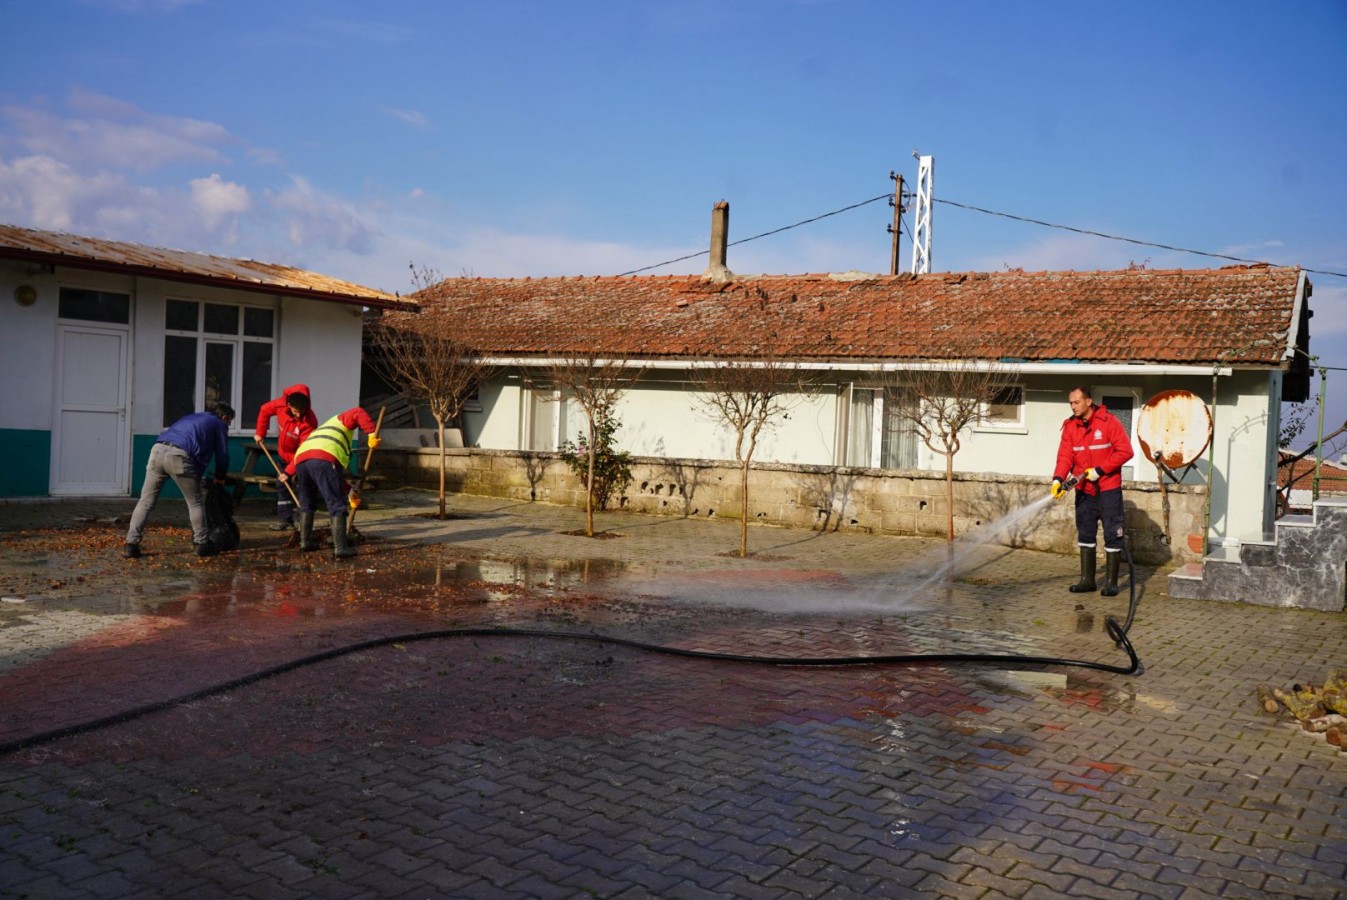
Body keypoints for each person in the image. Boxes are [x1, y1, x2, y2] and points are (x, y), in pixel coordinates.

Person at [1051, 387, 1134, 596]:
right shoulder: (1070, 427)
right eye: (1071, 403)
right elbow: (1065, 457)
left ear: (1089, 401)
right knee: (1085, 532)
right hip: (1084, 490)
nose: (1073, 406)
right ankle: (1087, 580)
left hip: (1108, 489)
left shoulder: (1108, 422)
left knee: (1112, 534)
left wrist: (1100, 469)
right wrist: (1058, 479)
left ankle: (1111, 583)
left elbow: (1126, 451)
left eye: (1076, 402)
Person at [124, 402, 234, 559]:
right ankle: (201, 544)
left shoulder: (193, 417)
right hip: (179, 456)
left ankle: (131, 545)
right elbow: (223, 455)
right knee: (195, 503)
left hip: (157, 451)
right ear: (225, 417)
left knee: (145, 502)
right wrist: (220, 477)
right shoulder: (219, 423)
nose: (228, 425)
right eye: (229, 422)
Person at [282, 407, 381, 559]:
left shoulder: (318, 433)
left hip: (301, 462)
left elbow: (332, 478)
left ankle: (305, 543)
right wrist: (371, 433)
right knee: (336, 505)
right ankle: (341, 548)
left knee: (306, 503)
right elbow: (357, 411)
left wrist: (350, 493)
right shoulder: (339, 420)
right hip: (323, 460)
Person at [254, 384, 318, 531]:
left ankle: (305, 524)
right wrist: (260, 432)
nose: (298, 415)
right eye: (295, 412)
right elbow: (264, 410)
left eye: (301, 412)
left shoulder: (310, 422)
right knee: (282, 486)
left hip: (301, 459)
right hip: (283, 455)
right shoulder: (280, 405)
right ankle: (285, 520)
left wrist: (288, 472)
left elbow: (303, 451)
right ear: (288, 405)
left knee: (304, 488)